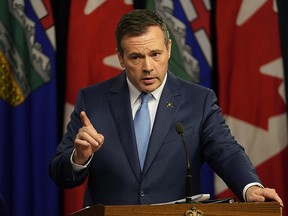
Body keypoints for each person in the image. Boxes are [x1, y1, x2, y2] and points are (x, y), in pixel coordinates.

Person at [49, 9, 283, 208]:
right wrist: (79, 157)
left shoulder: (198, 101)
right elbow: (59, 173)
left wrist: (250, 187)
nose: (148, 66)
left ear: (169, 49)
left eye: (155, 54)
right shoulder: (93, 100)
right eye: (136, 57)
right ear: (120, 58)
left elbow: (225, 151)